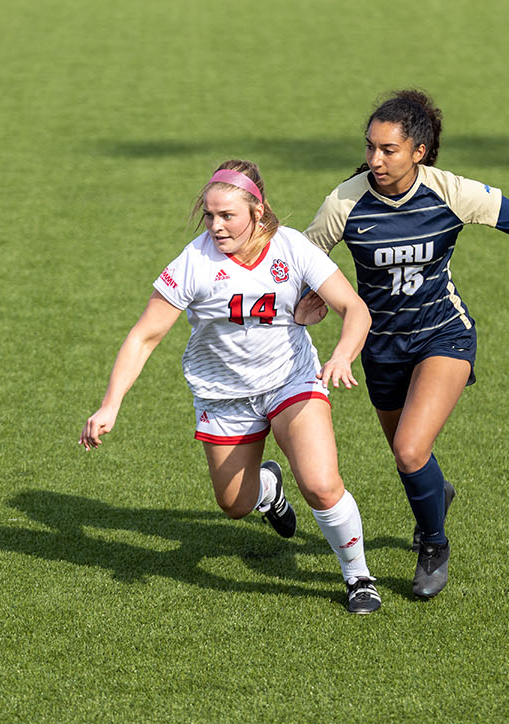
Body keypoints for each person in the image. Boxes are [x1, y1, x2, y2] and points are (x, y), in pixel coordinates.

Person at [297, 89, 509, 600]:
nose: (374, 160)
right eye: (370, 147)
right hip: (380, 346)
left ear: (419, 152)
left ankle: (433, 544)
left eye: (388, 150)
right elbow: (301, 259)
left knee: (410, 451)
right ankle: (438, 493)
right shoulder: (345, 202)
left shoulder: (451, 192)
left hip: (442, 333)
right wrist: (313, 297)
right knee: (410, 457)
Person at [80, 161, 383, 614]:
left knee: (321, 485)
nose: (216, 226)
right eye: (209, 215)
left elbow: (354, 308)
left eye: (227, 216)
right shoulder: (194, 262)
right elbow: (144, 336)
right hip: (224, 396)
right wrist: (110, 405)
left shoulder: (291, 247)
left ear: (257, 211)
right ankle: (267, 490)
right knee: (234, 506)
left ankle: (358, 575)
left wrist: (342, 354)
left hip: (290, 380)